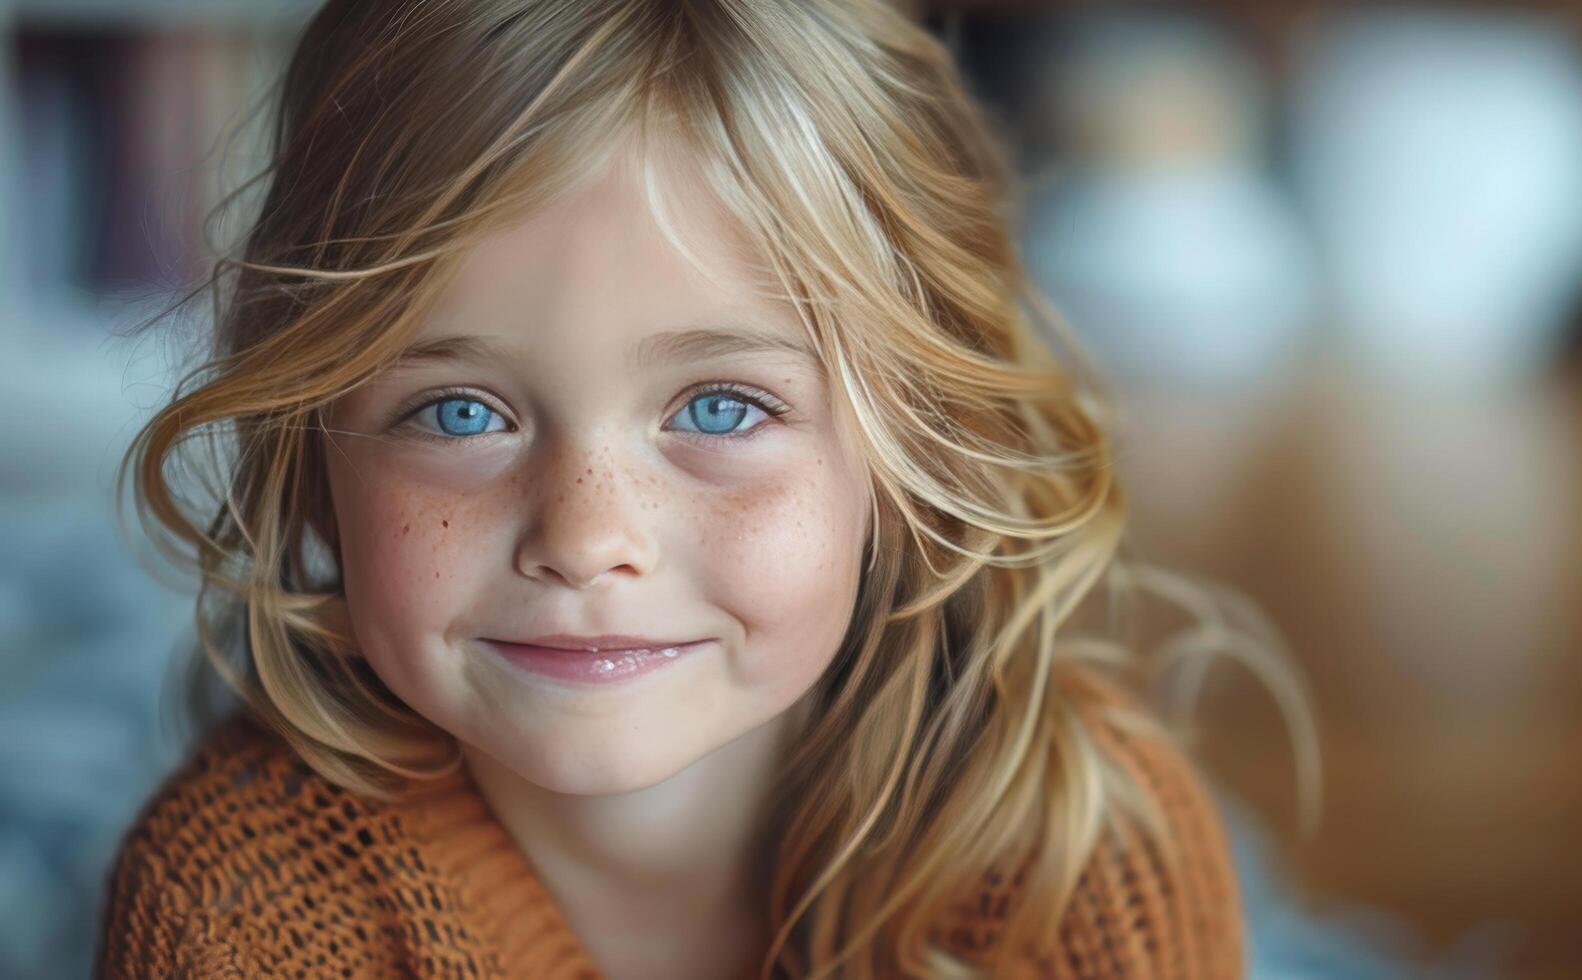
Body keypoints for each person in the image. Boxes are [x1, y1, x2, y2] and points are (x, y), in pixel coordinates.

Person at [97, 1, 1293, 976]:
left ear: (916, 448)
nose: (587, 536)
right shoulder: (236, 905)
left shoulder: (1083, 853)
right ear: (316, 461)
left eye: (720, 407)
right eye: (461, 411)